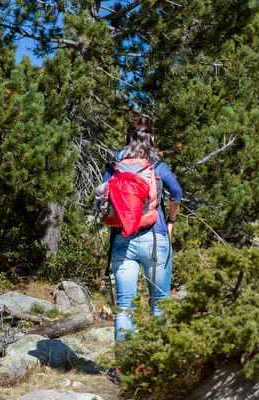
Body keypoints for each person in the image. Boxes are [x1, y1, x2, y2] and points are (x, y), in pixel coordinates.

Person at [102, 116, 182, 383]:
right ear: (151, 139)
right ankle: (157, 365)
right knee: (159, 304)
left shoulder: (115, 163)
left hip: (122, 238)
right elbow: (177, 193)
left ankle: (125, 368)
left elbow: (104, 194)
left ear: (127, 137)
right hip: (155, 239)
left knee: (124, 306)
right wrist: (170, 221)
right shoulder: (157, 165)